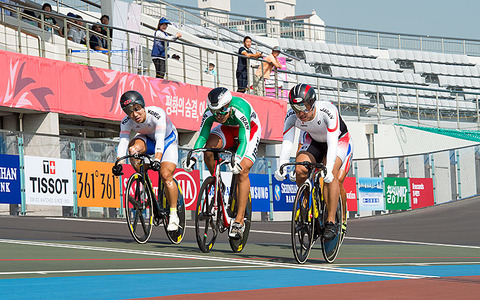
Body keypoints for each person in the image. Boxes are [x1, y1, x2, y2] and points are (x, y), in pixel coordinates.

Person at [274, 84, 353, 240]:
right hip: (314, 141)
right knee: (300, 169)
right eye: (296, 108)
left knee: (332, 176)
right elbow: (288, 141)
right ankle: (306, 202)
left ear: (313, 102)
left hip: (338, 141)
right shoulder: (291, 116)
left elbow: (331, 145)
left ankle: (331, 220)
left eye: (304, 107)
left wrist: (329, 169)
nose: (301, 113)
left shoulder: (328, 111)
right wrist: (282, 165)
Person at [183, 87, 261, 239]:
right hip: (228, 129)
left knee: (242, 171)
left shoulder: (239, 109)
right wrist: (193, 156)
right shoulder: (210, 113)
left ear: (228, 105)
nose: (218, 115)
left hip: (249, 131)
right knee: (209, 148)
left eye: (221, 111)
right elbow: (203, 137)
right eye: (215, 112)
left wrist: (237, 160)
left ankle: (239, 221)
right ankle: (218, 183)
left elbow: (244, 139)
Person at [112, 91, 181, 231]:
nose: (134, 115)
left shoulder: (157, 114)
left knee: (166, 175)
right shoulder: (126, 122)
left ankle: (174, 215)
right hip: (147, 139)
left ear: (143, 106)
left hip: (167, 141)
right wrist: (118, 162)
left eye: (137, 109)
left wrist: (157, 159)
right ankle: (145, 183)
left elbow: (160, 139)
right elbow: (123, 142)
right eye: (129, 112)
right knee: (133, 150)